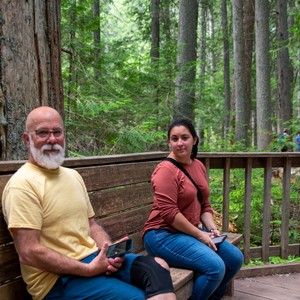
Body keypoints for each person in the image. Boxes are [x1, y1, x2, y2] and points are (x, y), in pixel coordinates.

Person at [2, 106, 176, 300]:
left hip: (93, 260)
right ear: (27, 139)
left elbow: (91, 225)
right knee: (138, 297)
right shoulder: (22, 185)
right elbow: (29, 253)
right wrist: (88, 269)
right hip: (58, 281)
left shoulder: (72, 176)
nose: (52, 139)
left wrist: (108, 251)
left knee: (158, 267)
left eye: (57, 132)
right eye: (42, 132)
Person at [142, 119, 244, 300]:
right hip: (161, 235)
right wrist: (200, 234)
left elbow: (204, 204)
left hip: (187, 232)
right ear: (169, 142)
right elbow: (169, 214)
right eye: (174, 139)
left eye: (184, 137)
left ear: (194, 140)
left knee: (234, 258)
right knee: (215, 267)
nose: (180, 143)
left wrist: (212, 230)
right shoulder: (165, 170)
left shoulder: (198, 165)